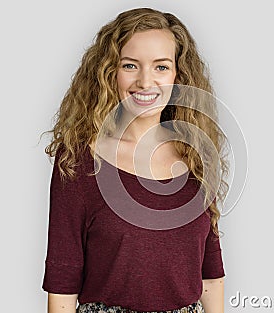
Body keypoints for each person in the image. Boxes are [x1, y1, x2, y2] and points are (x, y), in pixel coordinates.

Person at [41, 7, 229, 313]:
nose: (145, 81)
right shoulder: (79, 160)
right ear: (108, 72)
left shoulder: (197, 155)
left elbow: (210, 273)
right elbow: (63, 278)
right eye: (130, 65)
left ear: (178, 75)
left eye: (161, 67)